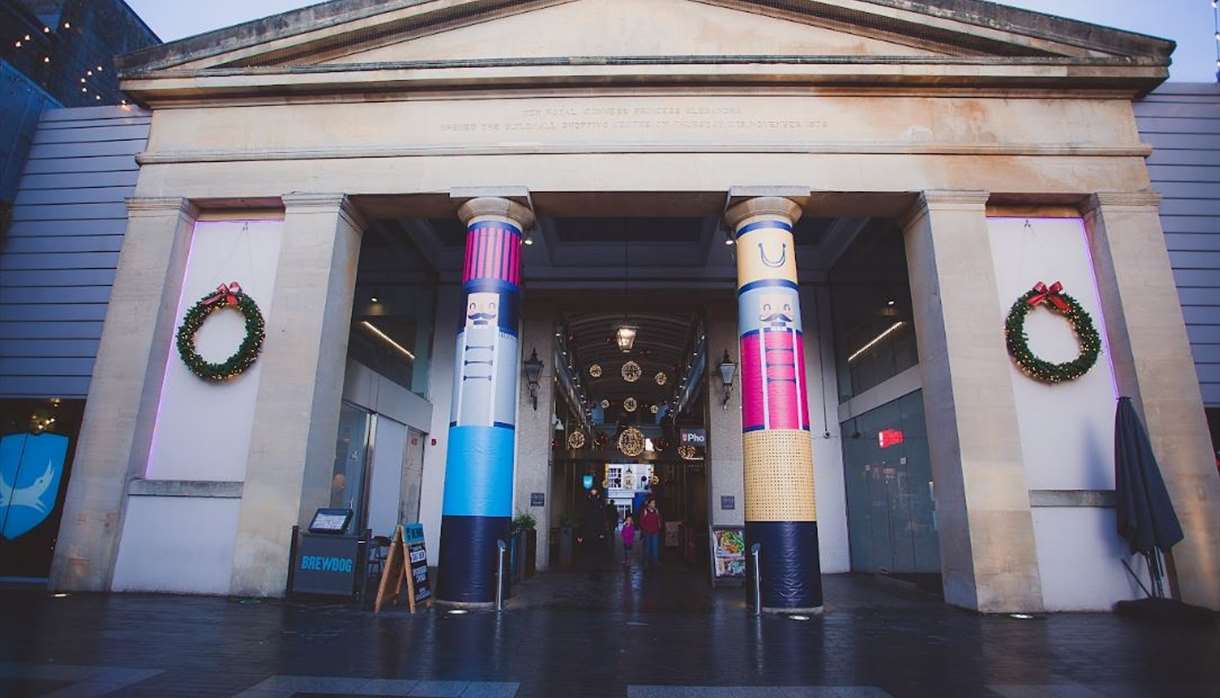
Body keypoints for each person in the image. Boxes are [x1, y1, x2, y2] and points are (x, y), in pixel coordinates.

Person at [639, 497, 662, 568]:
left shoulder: (656, 511)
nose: (654, 504)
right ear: (649, 504)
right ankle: (646, 562)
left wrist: (658, 527)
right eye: (652, 503)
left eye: (654, 503)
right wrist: (645, 529)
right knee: (647, 547)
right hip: (647, 532)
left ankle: (656, 561)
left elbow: (659, 520)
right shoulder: (645, 511)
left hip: (655, 532)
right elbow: (641, 522)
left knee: (655, 547)